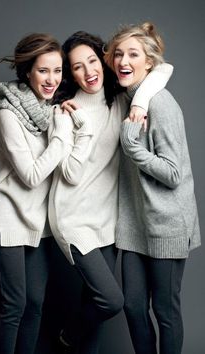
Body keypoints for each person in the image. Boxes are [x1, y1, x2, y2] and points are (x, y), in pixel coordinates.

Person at [49, 30, 173, 354]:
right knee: (111, 300)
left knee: (95, 306)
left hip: (108, 221)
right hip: (73, 220)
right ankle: (65, 337)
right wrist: (85, 131)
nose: (88, 71)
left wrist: (142, 101)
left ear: (103, 61)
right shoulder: (65, 113)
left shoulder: (120, 99)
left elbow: (163, 69)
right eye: (77, 67)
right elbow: (70, 174)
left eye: (92, 61)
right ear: (70, 72)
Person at [0, 33, 93, 354]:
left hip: (36, 221)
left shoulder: (50, 113)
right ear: (27, 71)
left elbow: (65, 169)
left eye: (58, 71)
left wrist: (70, 125)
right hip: (7, 218)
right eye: (44, 71)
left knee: (36, 305)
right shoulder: (8, 116)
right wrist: (60, 134)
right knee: (14, 306)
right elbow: (30, 176)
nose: (52, 79)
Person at [104, 22, 201, 354]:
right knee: (132, 308)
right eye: (118, 53)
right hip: (134, 225)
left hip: (167, 225)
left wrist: (132, 146)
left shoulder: (160, 104)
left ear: (149, 63)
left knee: (165, 312)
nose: (123, 60)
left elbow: (173, 174)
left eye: (133, 54)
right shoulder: (127, 98)